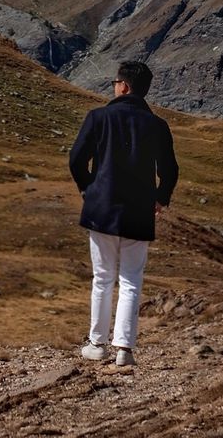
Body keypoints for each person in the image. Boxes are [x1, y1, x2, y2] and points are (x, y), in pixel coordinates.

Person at [69, 59, 178, 368]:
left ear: (124, 86)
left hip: (101, 209)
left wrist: (87, 189)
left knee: (102, 278)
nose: (114, 86)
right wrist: (160, 199)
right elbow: (169, 170)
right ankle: (124, 349)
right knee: (132, 279)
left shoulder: (98, 117)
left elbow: (77, 159)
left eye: (115, 82)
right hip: (139, 212)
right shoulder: (157, 125)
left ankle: (97, 344)